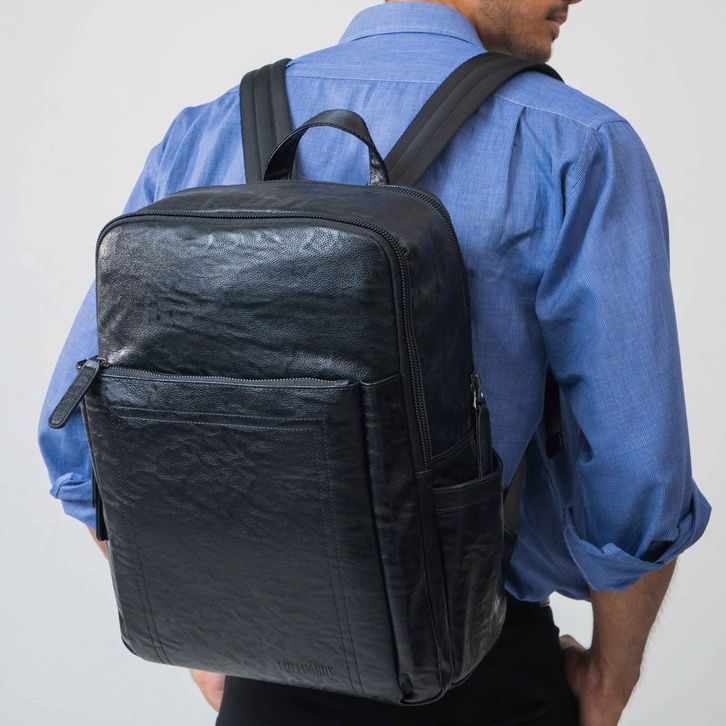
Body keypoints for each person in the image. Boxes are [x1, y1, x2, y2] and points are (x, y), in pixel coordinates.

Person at [38, 1, 711, 724]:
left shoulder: (206, 131)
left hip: (261, 673)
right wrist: (609, 680)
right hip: (479, 671)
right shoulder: (574, 142)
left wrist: (208, 645)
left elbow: (78, 446)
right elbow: (636, 475)